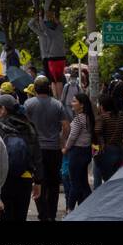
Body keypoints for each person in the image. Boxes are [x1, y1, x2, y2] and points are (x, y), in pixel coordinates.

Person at [0, 92, 41, 222]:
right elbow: (37, 155)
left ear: (3, 109)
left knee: (5, 216)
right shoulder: (28, 125)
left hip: (3, 180)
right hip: (25, 178)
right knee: (20, 216)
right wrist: (38, 181)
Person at [22, 77, 70, 221]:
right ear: (49, 88)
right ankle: (51, 213)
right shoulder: (57, 105)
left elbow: (23, 125)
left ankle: (43, 213)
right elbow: (66, 126)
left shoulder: (28, 104)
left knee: (38, 181)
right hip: (54, 149)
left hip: (36, 150)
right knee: (54, 183)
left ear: (35, 88)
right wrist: (61, 139)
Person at [63, 92, 95, 210]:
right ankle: (87, 208)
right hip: (86, 152)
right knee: (83, 184)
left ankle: (70, 210)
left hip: (77, 153)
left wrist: (66, 148)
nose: (72, 103)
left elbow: (72, 136)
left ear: (82, 105)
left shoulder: (79, 119)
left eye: (75, 101)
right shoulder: (88, 117)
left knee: (75, 183)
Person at [28, 4, 66, 100]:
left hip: (51, 58)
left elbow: (44, 25)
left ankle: (56, 98)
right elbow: (31, 24)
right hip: (49, 57)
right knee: (54, 80)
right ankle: (56, 97)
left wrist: (41, 17)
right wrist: (37, 17)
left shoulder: (49, 31)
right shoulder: (43, 33)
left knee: (54, 80)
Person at [93, 94, 123, 187]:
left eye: (99, 104)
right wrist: (122, 144)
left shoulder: (101, 118)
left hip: (103, 151)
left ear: (102, 106)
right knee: (113, 180)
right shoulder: (120, 117)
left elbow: (97, 135)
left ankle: (98, 198)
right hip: (117, 151)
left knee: (99, 178)